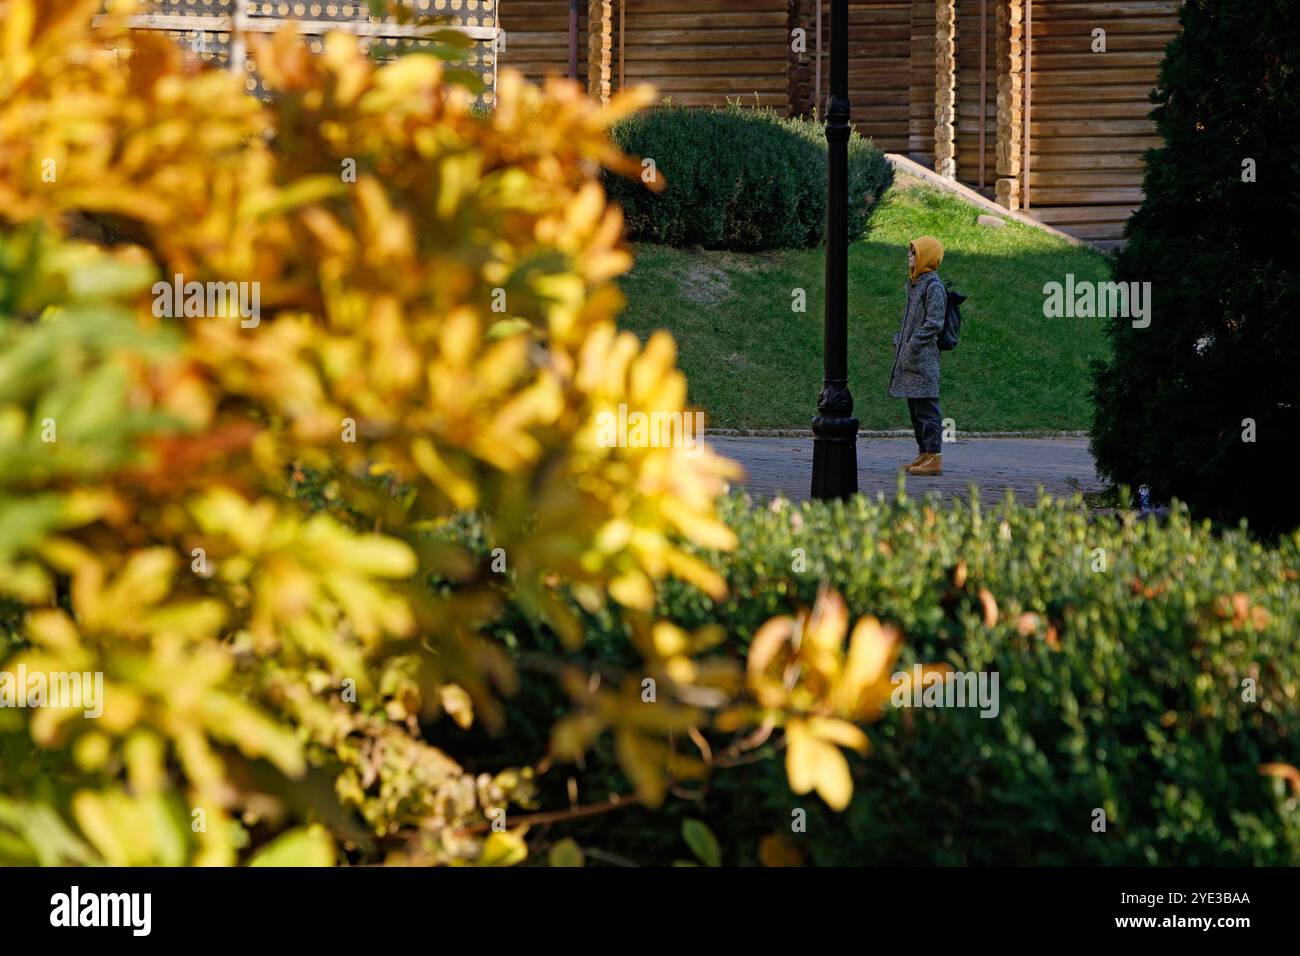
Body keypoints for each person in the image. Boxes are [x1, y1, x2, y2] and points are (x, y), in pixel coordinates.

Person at [888, 236, 948, 477]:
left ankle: (934, 456)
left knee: (927, 408)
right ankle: (924, 453)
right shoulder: (915, 283)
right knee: (915, 408)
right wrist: (899, 339)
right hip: (911, 357)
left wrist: (912, 343)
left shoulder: (933, 286)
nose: (909, 256)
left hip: (923, 359)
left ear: (926, 256)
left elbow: (934, 322)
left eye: (914, 253)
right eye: (909, 252)